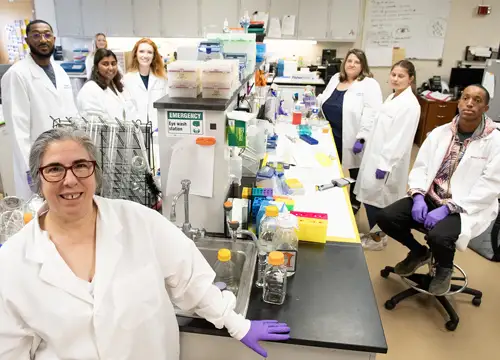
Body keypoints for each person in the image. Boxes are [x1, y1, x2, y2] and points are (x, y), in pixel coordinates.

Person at [0, 127, 290, 359]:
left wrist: (236, 323)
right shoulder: (13, 262)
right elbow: (10, 347)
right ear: (37, 180)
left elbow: (191, 278)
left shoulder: (139, 222)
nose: (70, 179)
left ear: (95, 173)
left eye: (80, 165)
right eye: (54, 169)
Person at [377, 84, 500, 295]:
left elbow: (490, 185)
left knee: (438, 236)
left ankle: (444, 269)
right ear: (458, 102)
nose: (470, 103)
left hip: (466, 206)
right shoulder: (440, 133)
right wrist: (417, 196)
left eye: (477, 100)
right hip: (431, 196)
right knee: (386, 216)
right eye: (466, 98)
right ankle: (418, 252)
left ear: (486, 108)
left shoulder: (495, 141)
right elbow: (421, 167)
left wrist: (449, 208)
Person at [1, 19, 77, 201]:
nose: (43, 40)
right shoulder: (17, 74)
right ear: (27, 40)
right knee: (40, 215)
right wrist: (31, 170)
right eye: (36, 35)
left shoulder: (61, 72)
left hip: (64, 156)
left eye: (47, 35)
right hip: (39, 161)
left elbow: (73, 114)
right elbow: (18, 128)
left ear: (54, 38)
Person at [354, 60, 421, 251]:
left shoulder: (409, 105)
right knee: (369, 196)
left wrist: (385, 165)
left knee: (379, 200)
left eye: (401, 76)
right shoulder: (393, 97)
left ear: (411, 79)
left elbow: (399, 139)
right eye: (393, 75)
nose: (396, 79)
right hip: (376, 156)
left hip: (387, 162)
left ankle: (378, 239)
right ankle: (376, 234)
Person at [316, 49, 383, 213]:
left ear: (363, 66)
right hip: (330, 135)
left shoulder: (369, 84)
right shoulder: (335, 79)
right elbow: (324, 98)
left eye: (357, 62)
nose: (352, 64)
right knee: (330, 169)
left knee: (355, 172)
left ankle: (354, 204)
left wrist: (362, 137)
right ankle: (329, 200)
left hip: (353, 137)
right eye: (349, 61)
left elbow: (371, 112)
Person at [123, 38, 168, 169]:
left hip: (157, 132)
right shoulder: (127, 79)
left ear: (154, 56)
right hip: (136, 132)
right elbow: (127, 109)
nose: (145, 55)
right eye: (141, 51)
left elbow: (164, 106)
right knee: (139, 169)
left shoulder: (162, 79)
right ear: (135, 54)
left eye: (149, 52)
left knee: (158, 168)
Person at [77, 48, 137, 122]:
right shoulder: (90, 89)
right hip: (106, 133)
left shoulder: (118, 86)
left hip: (124, 132)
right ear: (96, 67)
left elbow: (130, 110)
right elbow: (94, 123)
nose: (111, 68)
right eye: (105, 64)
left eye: (113, 63)